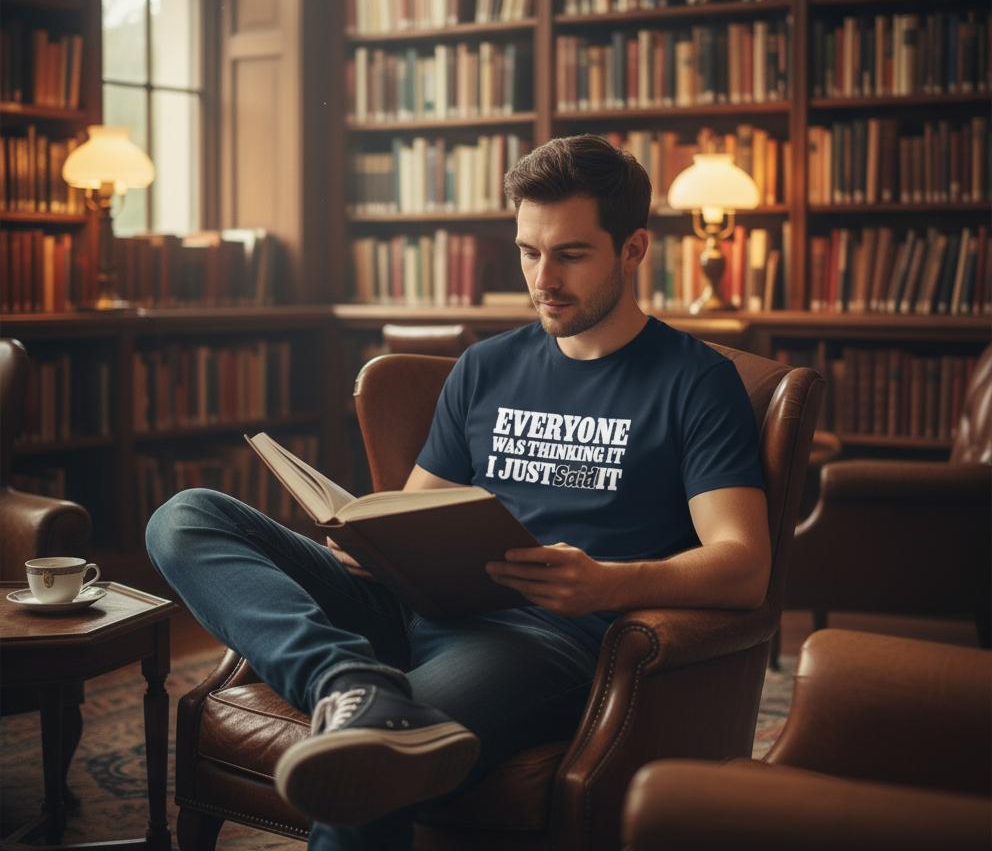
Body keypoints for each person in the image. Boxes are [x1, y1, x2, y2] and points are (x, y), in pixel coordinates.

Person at [145, 134, 769, 851]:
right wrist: (371, 544)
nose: (543, 278)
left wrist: (606, 584)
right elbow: (418, 509)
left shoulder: (696, 381)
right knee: (186, 515)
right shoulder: (485, 366)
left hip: (541, 641)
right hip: (414, 608)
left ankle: (367, 705)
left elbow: (744, 563)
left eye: (570, 254)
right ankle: (344, 675)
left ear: (632, 249)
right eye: (529, 252)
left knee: (369, 761)